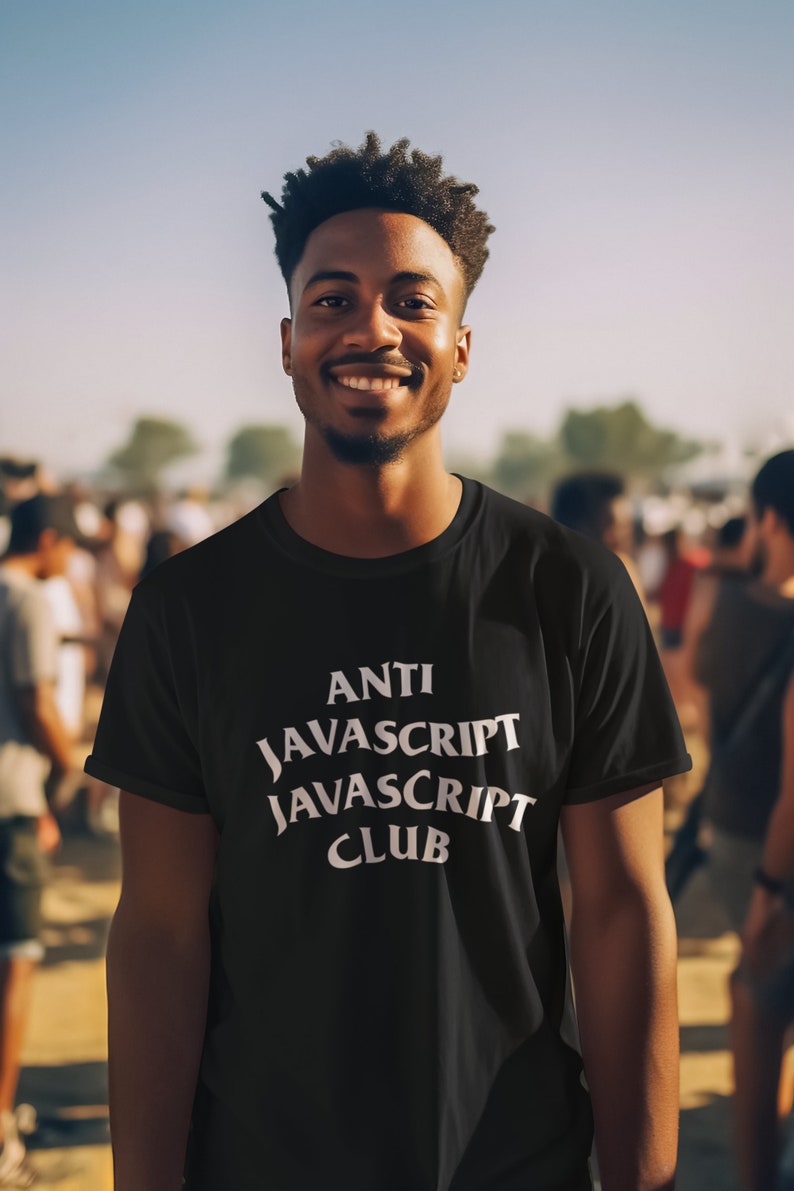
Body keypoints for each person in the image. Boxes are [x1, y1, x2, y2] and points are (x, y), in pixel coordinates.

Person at [87, 133, 691, 1191]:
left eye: (412, 301)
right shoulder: (190, 609)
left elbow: (619, 911)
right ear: (285, 340)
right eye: (333, 299)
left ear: (460, 344)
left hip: (514, 1165)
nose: (372, 328)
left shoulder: (569, 591)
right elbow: (159, 935)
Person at [687, 449, 794, 1191]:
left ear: (767, 520)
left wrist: (768, 886)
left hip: (747, 841)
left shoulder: (717, 604)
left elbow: (694, 679)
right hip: (770, 848)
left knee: (757, 1005)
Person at [0, 494, 78, 1185]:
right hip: (9, 803)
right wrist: (74, 766)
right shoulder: (26, 602)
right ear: (47, 540)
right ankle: (0, 1133)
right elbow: (35, 701)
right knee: (15, 965)